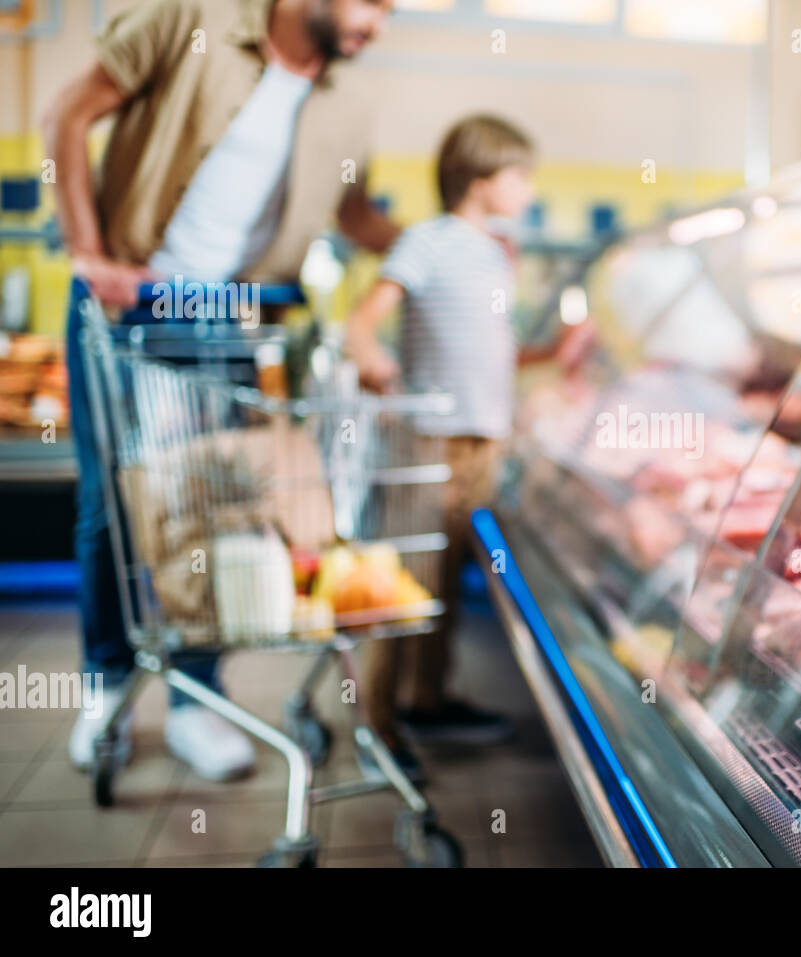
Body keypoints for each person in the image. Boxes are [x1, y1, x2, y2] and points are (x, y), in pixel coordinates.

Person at [47, 0, 400, 781]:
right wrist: (87, 252)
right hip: (127, 302)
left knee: (209, 505)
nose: (379, 24)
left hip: (232, 317)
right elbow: (68, 115)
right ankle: (105, 686)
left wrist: (433, 244)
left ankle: (196, 699)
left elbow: (349, 212)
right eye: (373, 3)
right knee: (111, 502)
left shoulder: (348, 100)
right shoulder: (191, 17)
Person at [345, 115, 586, 775]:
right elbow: (363, 321)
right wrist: (370, 358)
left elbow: (494, 348)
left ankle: (428, 696)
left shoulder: (494, 251)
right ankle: (378, 723)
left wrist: (552, 353)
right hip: (430, 438)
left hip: (484, 441)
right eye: (520, 176)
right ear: (479, 178)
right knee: (404, 584)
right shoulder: (427, 241)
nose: (530, 190)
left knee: (445, 578)